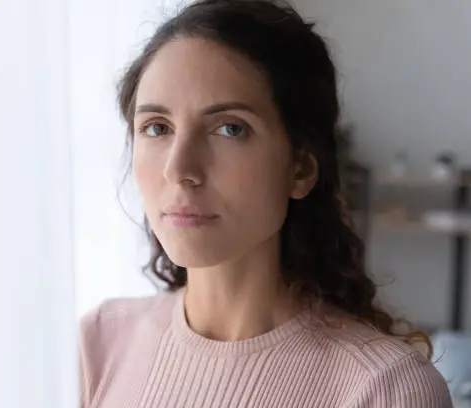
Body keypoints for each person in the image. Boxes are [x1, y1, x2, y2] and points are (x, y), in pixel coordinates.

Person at [79, 0, 453, 406]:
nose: (179, 167)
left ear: (300, 170)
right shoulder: (98, 345)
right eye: (157, 127)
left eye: (229, 128)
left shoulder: (384, 390)